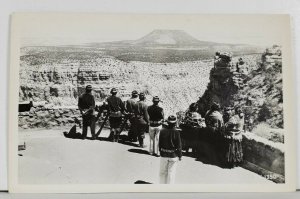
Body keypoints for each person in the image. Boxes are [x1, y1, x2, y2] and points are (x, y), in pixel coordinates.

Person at [159, 115, 182, 184]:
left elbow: (160, 143)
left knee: (163, 172)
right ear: (175, 123)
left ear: (168, 122)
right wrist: (180, 155)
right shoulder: (176, 132)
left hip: (164, 154)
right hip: (173, 155)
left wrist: (161, 151)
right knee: (171, 173)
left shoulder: (162, 131)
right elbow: (179, 145)